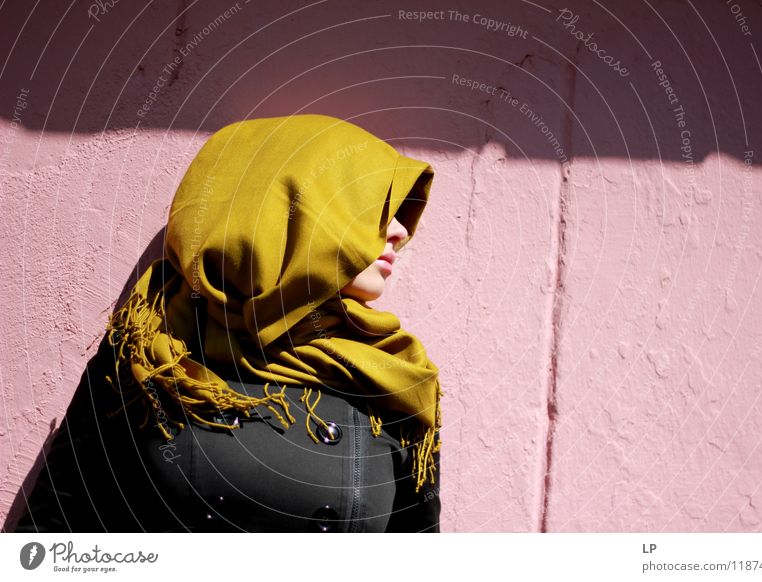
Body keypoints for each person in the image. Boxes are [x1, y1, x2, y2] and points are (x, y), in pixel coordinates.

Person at [10, 114, 442, 533]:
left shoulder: (393, 374)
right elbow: (56, 533)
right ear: (301, 209)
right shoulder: (152, 353)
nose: (401, 231)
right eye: (374, 207)